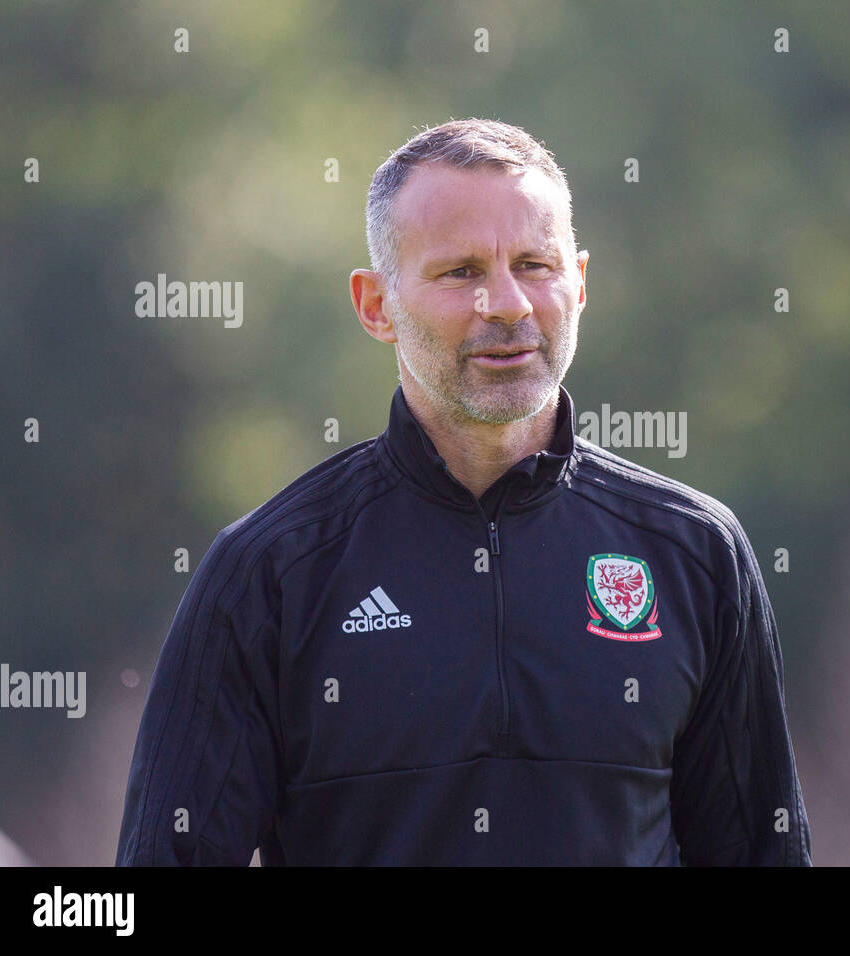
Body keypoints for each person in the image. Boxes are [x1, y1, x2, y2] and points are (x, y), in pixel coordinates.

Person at [115, 118, 812, 866]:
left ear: (579, 281)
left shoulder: (695, 554)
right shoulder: (268, 573)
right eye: (462, 273)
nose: (507, 303)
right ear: (375, 304)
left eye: (535, 264)